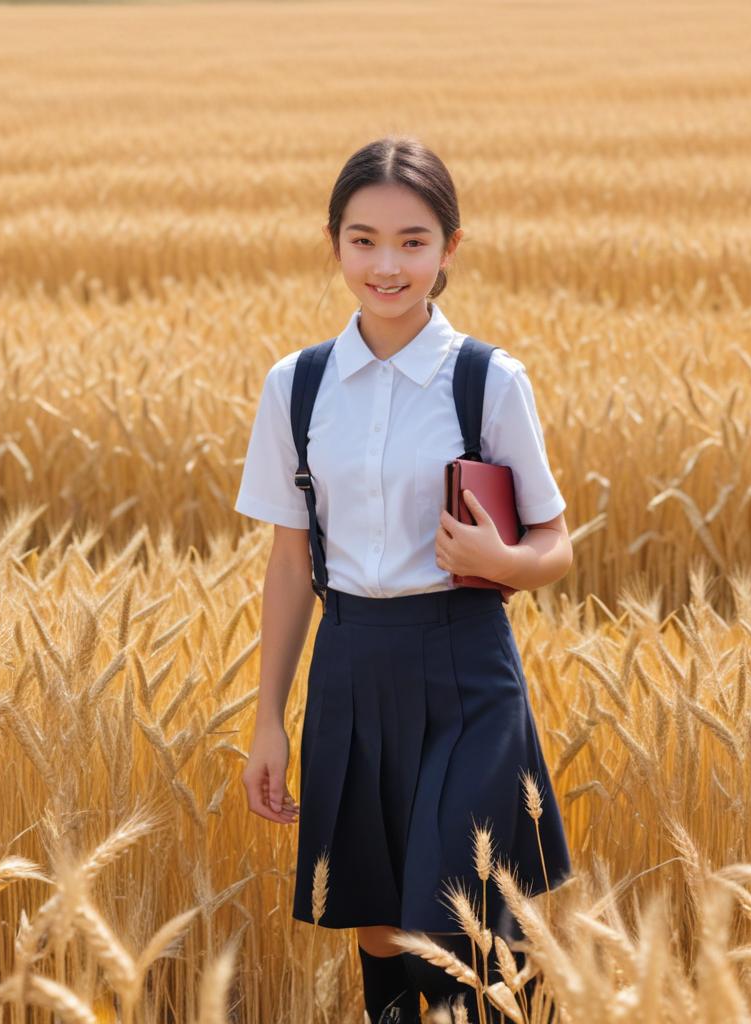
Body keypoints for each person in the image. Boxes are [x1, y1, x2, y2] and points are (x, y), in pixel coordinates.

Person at [235, 135, 575, 1023]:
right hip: (349, 665)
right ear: (334, 242)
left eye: (414, 241)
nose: (387, 265)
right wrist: (268, 718)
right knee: (380, 921)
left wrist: (502, 565)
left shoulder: (487, 380)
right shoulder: (296, 387)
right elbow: (288, 564)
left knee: (457, 911)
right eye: (364, 240)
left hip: (466, 669)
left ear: (450, 248)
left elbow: (556, 541)